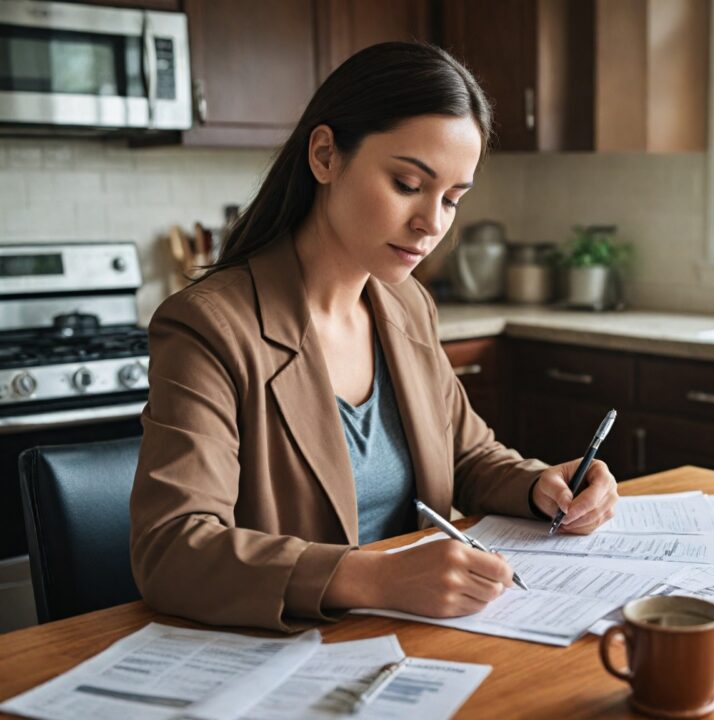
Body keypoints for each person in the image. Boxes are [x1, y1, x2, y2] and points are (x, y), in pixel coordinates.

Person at [130, 42, 618, 632]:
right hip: (292, 654)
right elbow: (173, 549)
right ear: (325, 155)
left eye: (452, 199)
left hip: (417, 637)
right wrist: (373, 578)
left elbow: (468, 455)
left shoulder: (406, 305)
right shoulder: (210, 326)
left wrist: (542, 484)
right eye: (408, 183)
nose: (431, 223)